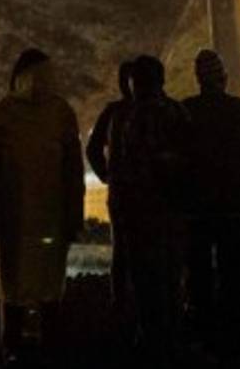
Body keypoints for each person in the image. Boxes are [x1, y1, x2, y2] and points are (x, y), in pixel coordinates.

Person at [0, 48, 85, 362]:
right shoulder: (6, 111)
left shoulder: (61, 112)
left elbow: (73, 169)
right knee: (14, 285)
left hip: (51, 216)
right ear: (23, 77)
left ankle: (49, 345)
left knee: (48, 284)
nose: (45, 81)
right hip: (15, 215)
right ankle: (12, 347)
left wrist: (73, 215)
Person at [106, 54, 192, 366]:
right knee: (171, 279)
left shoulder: (133, 117)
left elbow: (128, 166)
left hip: (142, 214)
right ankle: (173, 339)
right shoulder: (178, 112)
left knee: (145, 282)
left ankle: (151, 342)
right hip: (172, 213)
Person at [180, 50, 240, 348]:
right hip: (234, 208)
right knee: (233, 273)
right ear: (224, 79)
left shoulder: (186, 111)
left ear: (198, 80)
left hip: (196, 208)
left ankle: (201, 333)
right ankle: (234, 334)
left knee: (198, 273)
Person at [86, 60, 136, 326]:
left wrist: (107, 175)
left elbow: (92, 149)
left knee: (122, 253)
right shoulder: (164, 108)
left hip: (121, 195)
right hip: (150, 197)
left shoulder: (114, 112)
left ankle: (122, 309)